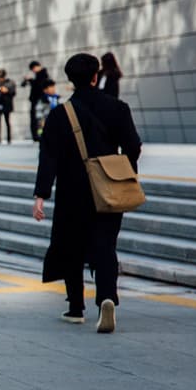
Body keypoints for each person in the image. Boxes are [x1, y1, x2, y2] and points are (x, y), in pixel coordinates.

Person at [32, 53, 141, 333]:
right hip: (108, 188)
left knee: (71, 246)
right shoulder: (118, 108)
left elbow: (48, 158)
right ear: (96, 77)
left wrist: (40, 195)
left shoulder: (59, 115)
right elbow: (133, 146)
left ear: (70, 80)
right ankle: (106, 297)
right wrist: (124, 171)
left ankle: (76, 308)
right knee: (105, 245)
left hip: (72, 191)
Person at [21, 60, 50, 143]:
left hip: (40, 100)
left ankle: (39, 135)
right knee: (35, 118)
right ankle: (36, 136)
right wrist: (28, 80)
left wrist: (31, 80)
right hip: (35, 100)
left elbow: (40, 86)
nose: (33, 71)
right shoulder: (36, 76)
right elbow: (23, 85)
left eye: (33, 69)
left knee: (39, 119)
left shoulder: (43, 74)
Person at [0, 69, 16, 144]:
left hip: (7, 103)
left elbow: (13, 93)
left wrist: (7, 90)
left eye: (1, 77)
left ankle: (9, 138)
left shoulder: (10, 83)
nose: (0, 78)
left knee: (7, 121)